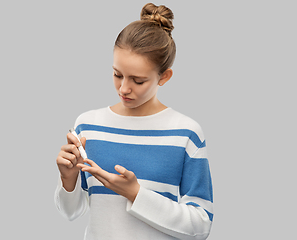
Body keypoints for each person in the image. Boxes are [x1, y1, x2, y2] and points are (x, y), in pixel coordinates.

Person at [55, 3, 213, 239]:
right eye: (117, 74)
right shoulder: (88, 125)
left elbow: (201, 225)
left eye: (138, 81)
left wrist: (136, 194)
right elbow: (71, 213)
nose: (124, 88)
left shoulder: (185, 133)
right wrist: (68, 180)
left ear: (165, 77)